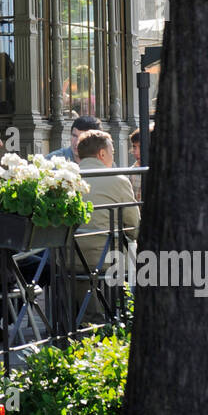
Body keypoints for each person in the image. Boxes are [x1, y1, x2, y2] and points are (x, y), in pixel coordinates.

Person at [73, 130, 141, 323]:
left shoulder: (67, 180)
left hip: (68, 259)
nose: (114, 156)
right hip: (108, 260)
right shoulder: (118, 180)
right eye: (112, 151)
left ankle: (86, 321)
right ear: (102, 154)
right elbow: (134, 228)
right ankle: (123, 318)